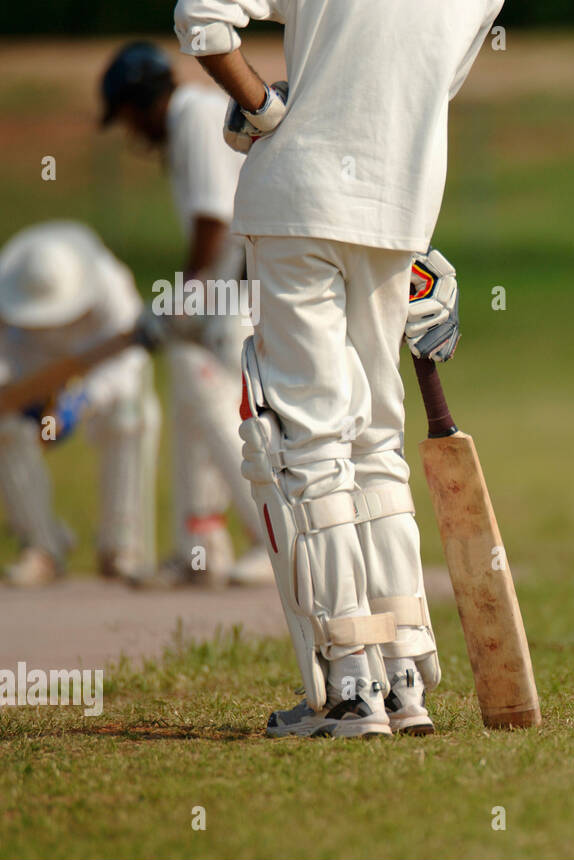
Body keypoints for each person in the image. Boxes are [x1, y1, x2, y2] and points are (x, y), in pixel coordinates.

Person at [173, 0, 503, 737]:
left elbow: (200, 15)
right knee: (377, 439)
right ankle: (406, 677)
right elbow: (418, 87)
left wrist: (260, 107)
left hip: (299, 202)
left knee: (314, 445)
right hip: (396, 217)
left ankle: (353, 686)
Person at [99, 41, 273, 588]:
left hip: (243, 290)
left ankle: (272, 542)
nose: (128, 131)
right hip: (226, 287)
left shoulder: (195, 116)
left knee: (234, 417)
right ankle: (201, 548)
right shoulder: (187, 124)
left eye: (126, 116)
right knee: (193, 401)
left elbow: (212, 223)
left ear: (141, 100)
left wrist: (178, 302)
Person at [0, 222, 159, 587]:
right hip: (32, 374)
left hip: (101, 373)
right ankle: (43, 546)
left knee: (131, 415)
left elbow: (130, 357)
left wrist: (82, 400)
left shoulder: (108, 283)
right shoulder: (8, 285)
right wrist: (22, 396)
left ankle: (120, 545)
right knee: (7, 430)